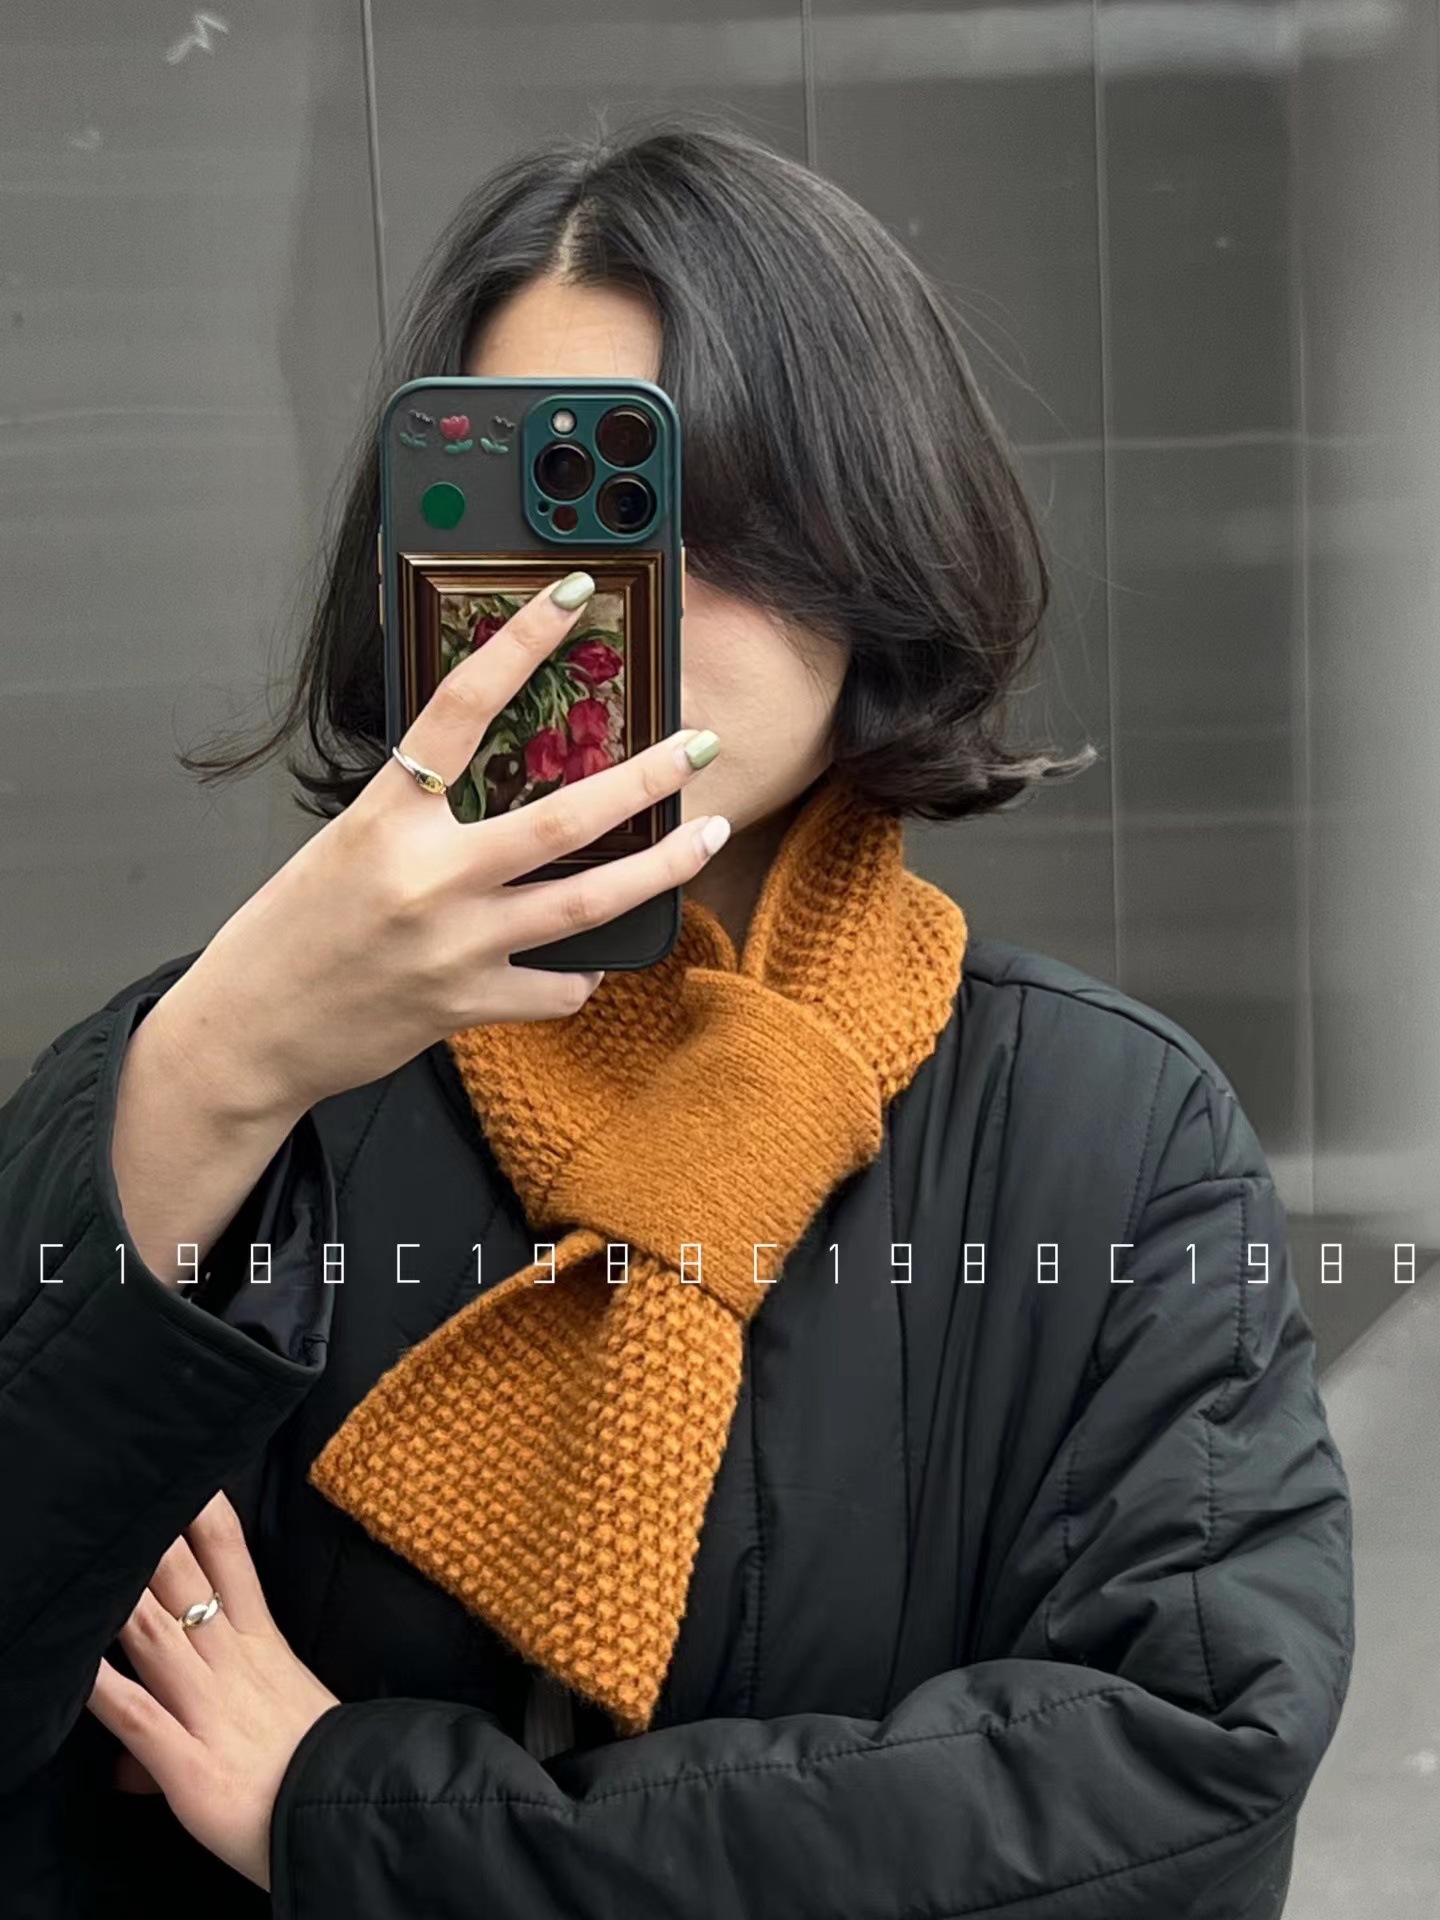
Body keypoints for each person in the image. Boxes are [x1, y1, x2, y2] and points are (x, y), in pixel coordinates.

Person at [0, 117, 1352, 1919]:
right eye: (538, 507)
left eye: (680, 505)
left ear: (870, 528)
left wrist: (360, 1821)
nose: (600, 601)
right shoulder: (241, 1087)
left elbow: (1179, 1787)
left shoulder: (1108, 1129)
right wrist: (215, 1069)